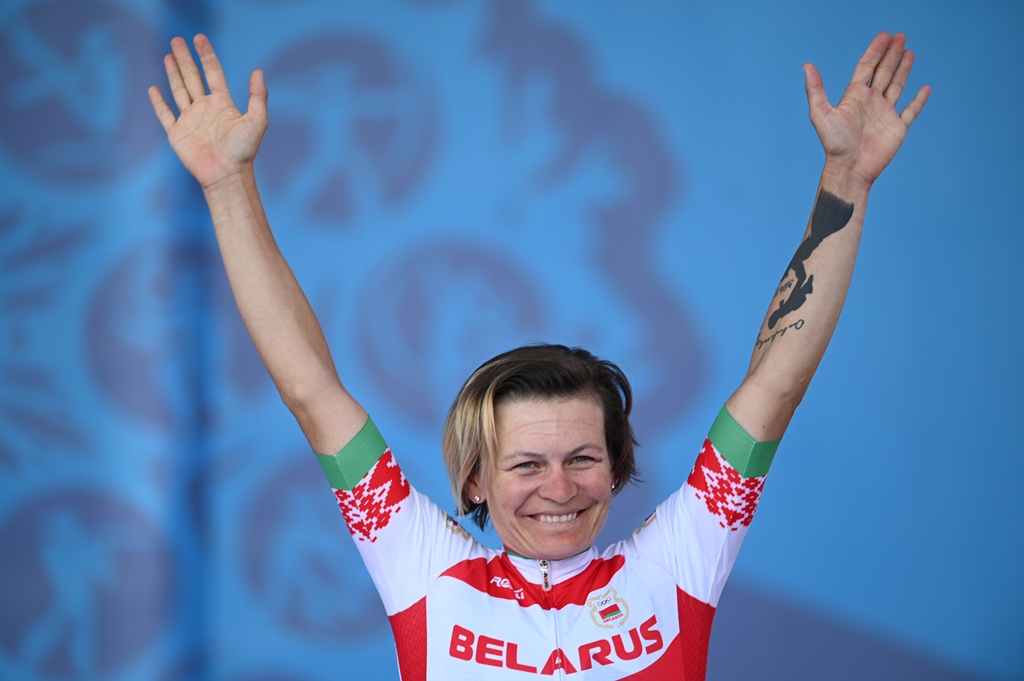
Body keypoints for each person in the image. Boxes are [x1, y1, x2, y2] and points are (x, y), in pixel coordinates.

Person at [149, 30, 929, 680]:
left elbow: (776, 386)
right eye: (526, 464)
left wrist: (846, 179)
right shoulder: (426, 569)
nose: (559, 487)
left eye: (583, 457)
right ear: (475, 479)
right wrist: (228, 186)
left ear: (618, 467)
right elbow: (311, 391)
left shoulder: (674, 564)